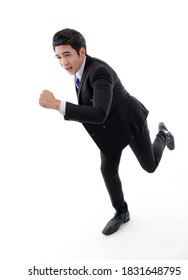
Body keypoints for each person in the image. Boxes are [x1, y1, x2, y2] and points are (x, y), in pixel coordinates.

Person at [39, 28, 175, 236]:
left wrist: (58, 104)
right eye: (58, 57)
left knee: (150, 166)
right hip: (110, 129)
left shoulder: (99, 72)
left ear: (81, 52)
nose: (63, 62)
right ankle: (122, 212)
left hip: (129, 121)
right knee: (107, 170)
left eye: (67, 55)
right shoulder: (79, 71)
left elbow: (99, 112)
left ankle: (163, 134)